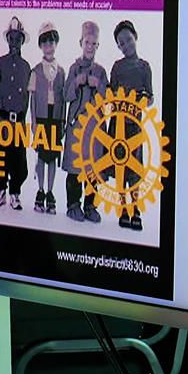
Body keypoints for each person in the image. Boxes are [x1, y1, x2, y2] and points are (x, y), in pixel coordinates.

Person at [107, 19, 155, 232]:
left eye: (128, 40)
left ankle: (135, 210)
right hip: (118, 124)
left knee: (135, 169)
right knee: (120, 167)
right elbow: (110, 94)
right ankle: (123, 209)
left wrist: (143, 98)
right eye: (121, 43)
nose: (126, 45)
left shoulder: (145, 67)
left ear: (135, 37)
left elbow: (150, 97)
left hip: (135, 125)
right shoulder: (117, 67)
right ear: (118, 47)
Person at [61, 20, 107, 223]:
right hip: (76, 126)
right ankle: (73, 205)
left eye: (94, 43)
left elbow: (108, 100)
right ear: (81, 42)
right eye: (87, 42)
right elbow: (66, 95)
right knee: (75, 168)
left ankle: (90, 206)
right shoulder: (74, 68)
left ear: (98, 46)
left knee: (93, 169)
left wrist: (99, 86)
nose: (90, 47)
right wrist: (76, 82)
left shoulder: (101, 72)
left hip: (95, 129)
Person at [0, 17, 32, 212]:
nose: (14, 42)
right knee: (1, 155)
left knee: (18, 160)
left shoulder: (26, 67)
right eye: (11, 38)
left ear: (22, 41)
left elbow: (28, 97)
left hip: (19, 122)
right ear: (7, 40)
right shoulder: (1, 62)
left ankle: (15, 192)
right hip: (2, 119)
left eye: (18, 39)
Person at [28, 23, 65, 214]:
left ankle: (50, 191)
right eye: (44, 42)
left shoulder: (61, 72)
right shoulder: (35, 70)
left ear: (56, 43)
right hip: (42, 117)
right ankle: (40, 190)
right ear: (40, 46)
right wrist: (34, 122)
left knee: (52, 157)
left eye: (51, 41)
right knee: (41, 156)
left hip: (55, 119)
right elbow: (32, 99)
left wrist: (62, 122)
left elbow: (64, 100)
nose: (48, 45)